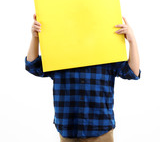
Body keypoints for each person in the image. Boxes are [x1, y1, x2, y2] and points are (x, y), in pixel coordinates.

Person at [25, 14, 141, 142]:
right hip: (68, 129)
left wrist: (132, 40)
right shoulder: (59, 53)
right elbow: (32, 65)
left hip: (101, 130)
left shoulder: (107, 53)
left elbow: (133, 72)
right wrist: (35, 38)